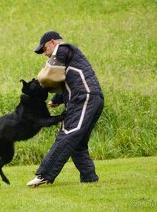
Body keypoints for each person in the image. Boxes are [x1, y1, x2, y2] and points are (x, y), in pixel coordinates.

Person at [27, 31, 104, 186]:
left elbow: (48, 76)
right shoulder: (68, 57)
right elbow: (67, 79)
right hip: (90, 98)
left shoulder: (63, 49)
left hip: (84, 98)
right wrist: (57, 99)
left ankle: (44, 175)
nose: (45, 54)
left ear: (53, 42)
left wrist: (39, 86)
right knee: (78, 144)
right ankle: (89, 178)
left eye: (45, 49)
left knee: (68, 133)